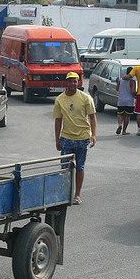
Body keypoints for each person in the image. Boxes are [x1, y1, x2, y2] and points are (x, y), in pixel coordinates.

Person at [53, 71, 97, 205]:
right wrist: (57, 139)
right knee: (65, 167)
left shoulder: (85, 98)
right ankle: (63, 194)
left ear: (78, 83)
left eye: (75, 81)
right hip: (66, 138)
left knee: (80, 167)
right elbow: (58, 120)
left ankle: (77, 194)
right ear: (66, 83)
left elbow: (93, 117)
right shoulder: (60, 99)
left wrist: (93, 135)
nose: (73, 84)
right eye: (71, 81)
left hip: (83, 138)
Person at [116, 66, 136, 135]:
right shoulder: (132, 81)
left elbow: (117, 88)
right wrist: (136, 94)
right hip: (129, 101)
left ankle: (119, 125)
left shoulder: (120, 80)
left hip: (121, 100)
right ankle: (124, 131)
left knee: (120, 113)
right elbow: (133, 92)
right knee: (127, 116)